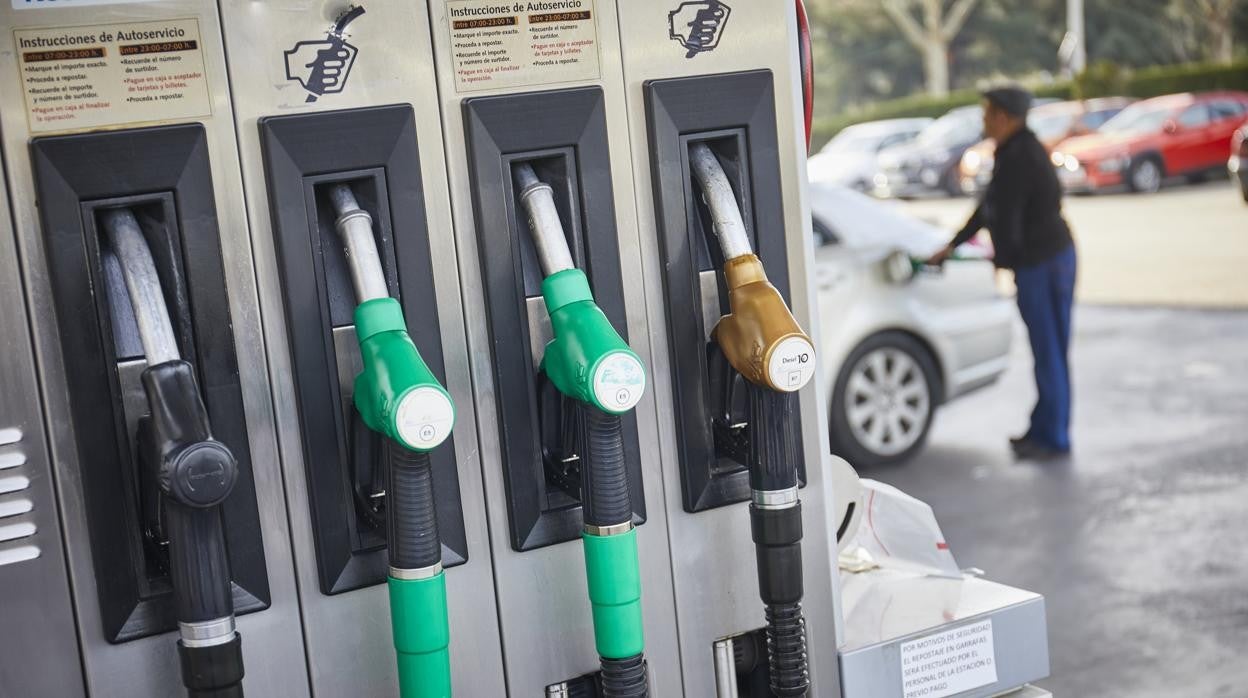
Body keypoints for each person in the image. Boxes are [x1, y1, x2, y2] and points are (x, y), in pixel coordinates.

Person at [927, 86, 1077, 460]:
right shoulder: (1014, 151)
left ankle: (1054, 438)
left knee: (1050, 353)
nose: (982, 120)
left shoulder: (1020, 156)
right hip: (1045, 260)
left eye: (986, 113)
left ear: (1004, 117)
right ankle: (1044, 429)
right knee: (1049, 353)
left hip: (1045, 264)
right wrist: (954, 244)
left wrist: (1000, 261)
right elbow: (989, 209)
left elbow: (1006, 220)